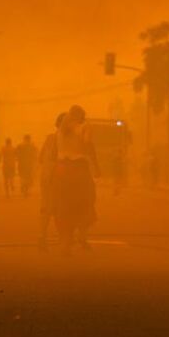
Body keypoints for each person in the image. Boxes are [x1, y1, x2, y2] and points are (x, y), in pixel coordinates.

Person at [54, 105, 99, 255]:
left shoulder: (60, 130)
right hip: (79, 168)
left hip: (62, 170)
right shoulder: (84, 127)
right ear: (80, 116)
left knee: (65, 205)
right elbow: (88, 145)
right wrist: (96, 166)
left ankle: (66, 242)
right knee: (86, 201)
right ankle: (81, 234)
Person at [37, 113, 65, 250]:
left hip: (46, 177)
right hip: (55, 178)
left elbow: (41, 158)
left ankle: (44, 237)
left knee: (47, 208)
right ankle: (63, 240)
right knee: (58, 209)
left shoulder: (50, 138)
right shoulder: (61, 139)